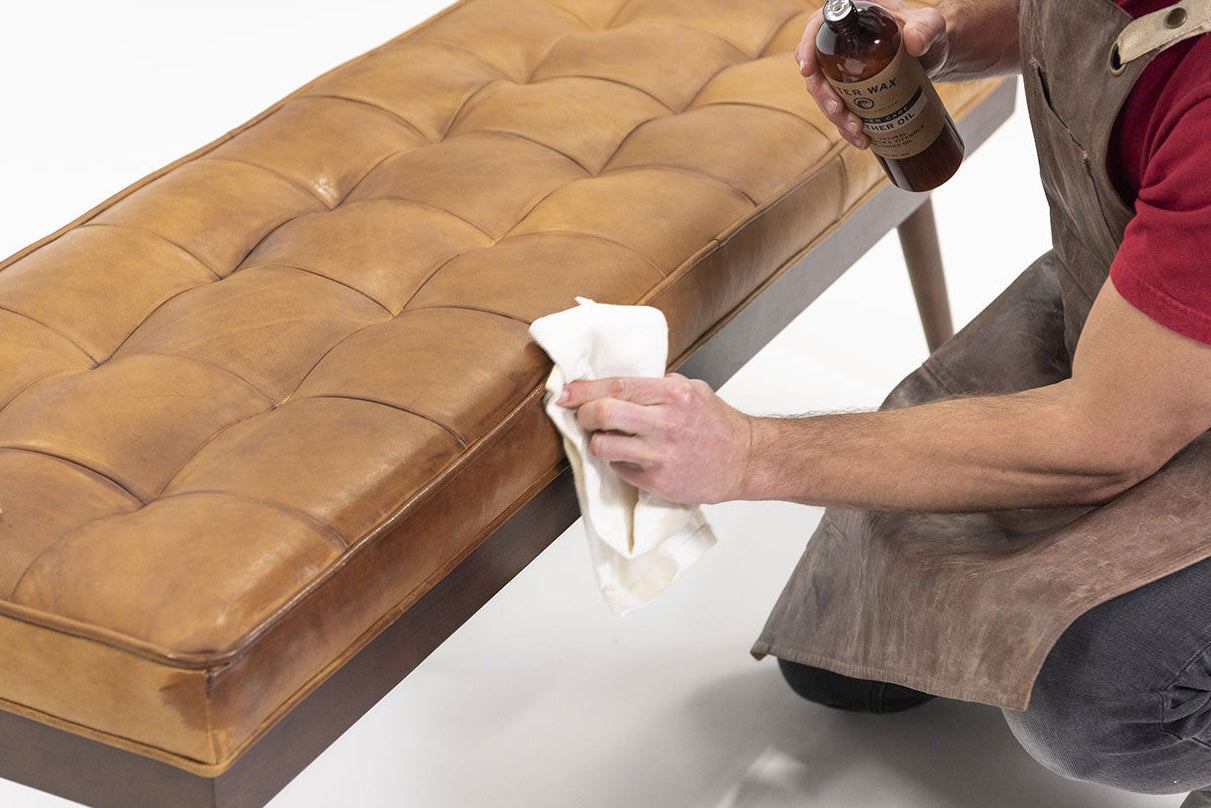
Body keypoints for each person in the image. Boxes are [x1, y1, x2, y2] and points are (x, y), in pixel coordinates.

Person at [557, 0, 1211, 803]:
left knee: (1103, 698)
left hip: (1128, 401)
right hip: (1131, 332)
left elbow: (1104, 438)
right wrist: (947, 38)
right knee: (844, 656)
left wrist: (752, 453)